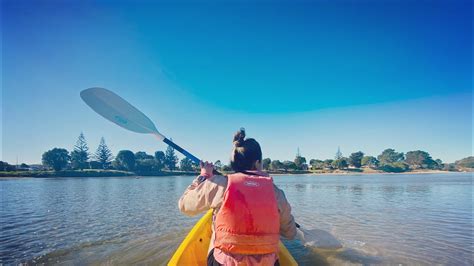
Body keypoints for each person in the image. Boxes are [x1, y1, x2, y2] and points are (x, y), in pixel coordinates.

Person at [179, 128, 297, 266]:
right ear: (258, 162)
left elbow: (184, 206)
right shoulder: (276, 192)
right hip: (267, 263)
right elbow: (290, 234)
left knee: (215, 221)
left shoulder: (219, 184)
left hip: (224, 263)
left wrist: (203, 176)